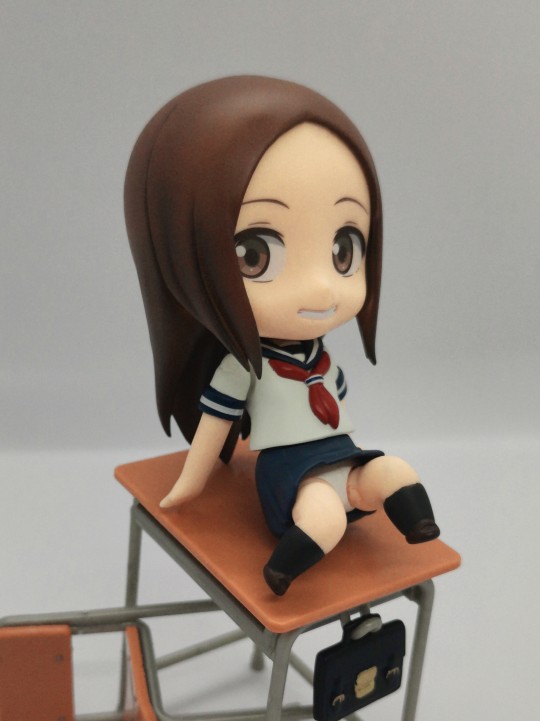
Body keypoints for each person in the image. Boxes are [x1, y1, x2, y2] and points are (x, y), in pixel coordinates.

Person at [125, 76, 439, 596]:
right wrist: (190, 484)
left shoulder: (323, 360)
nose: (320, 287)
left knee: (393, 470)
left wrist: (356, 456)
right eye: (255, 254)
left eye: (343, 249)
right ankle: (282, 570)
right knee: (324, 516)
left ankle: (419, 527)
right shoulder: (243, 367)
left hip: (343, 455)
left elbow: (336, 408)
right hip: (290, 474)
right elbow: (215, 424)